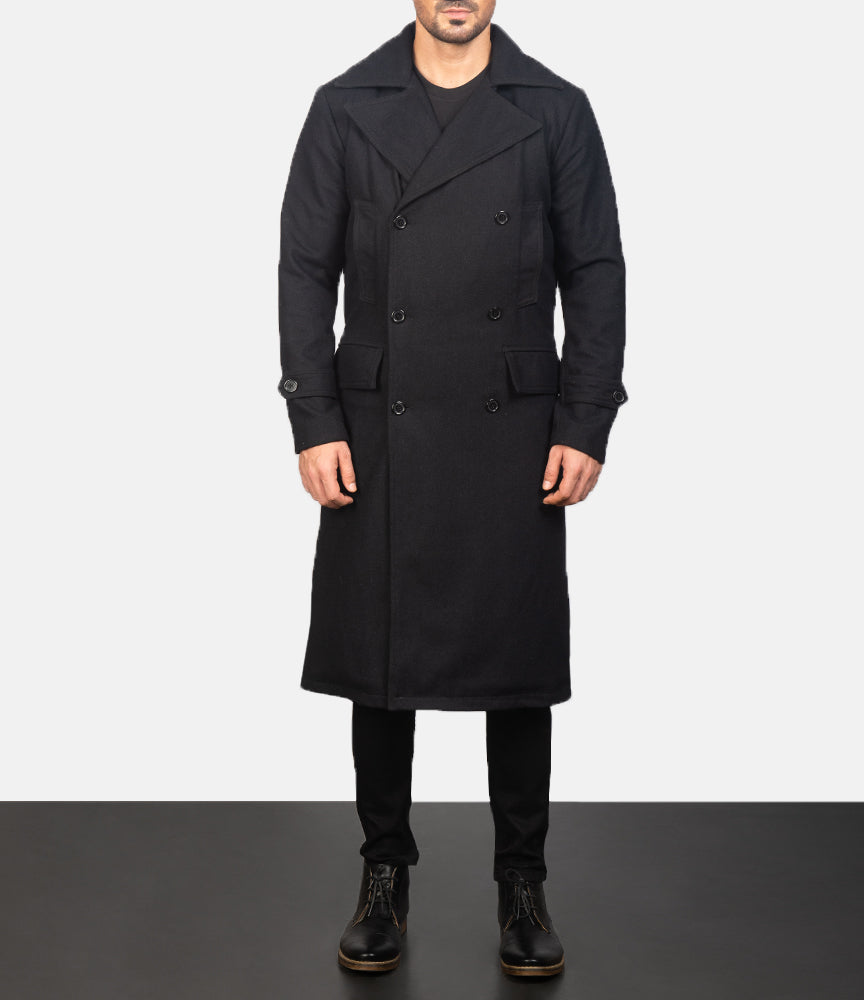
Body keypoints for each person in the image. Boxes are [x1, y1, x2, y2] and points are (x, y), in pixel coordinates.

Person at [277, 0, 627, 978]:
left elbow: (595, 271)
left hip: (510, 428)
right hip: (380, 422)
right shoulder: (344, 106)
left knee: (516, 663)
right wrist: (314, 419)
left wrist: (584, 421)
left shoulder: (555, 109)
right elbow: (303, 271)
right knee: (380, 660)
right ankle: (383, 873)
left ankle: (523, 883)